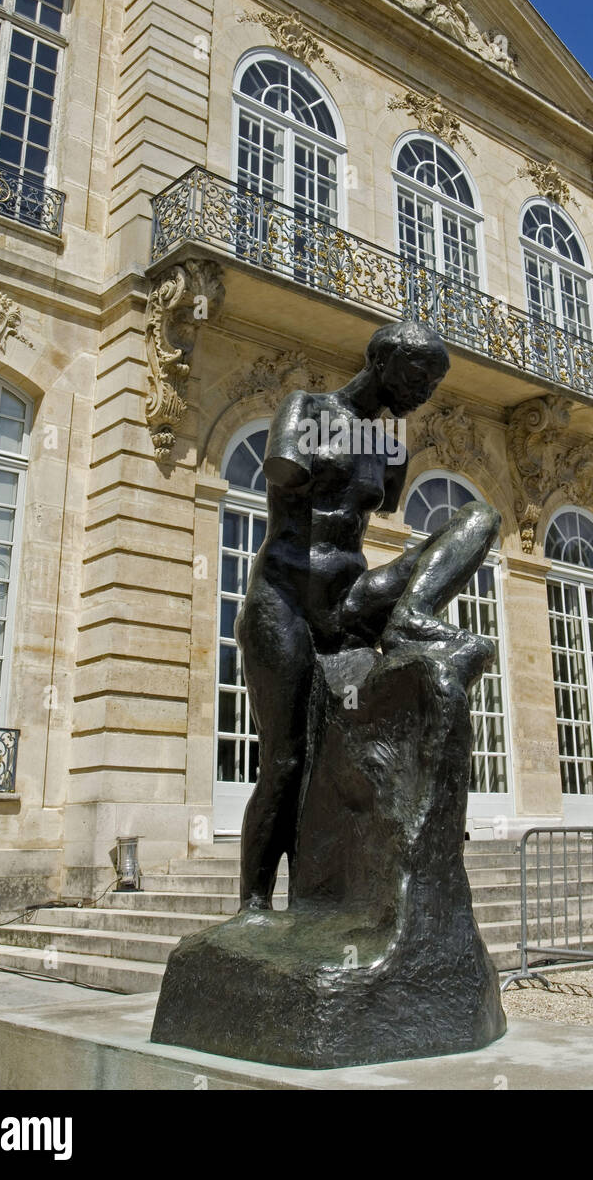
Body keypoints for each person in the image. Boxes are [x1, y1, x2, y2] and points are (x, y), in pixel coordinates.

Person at [235, 321, 500, 910]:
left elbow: (374, 515)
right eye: (418, 376)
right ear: (381, 360)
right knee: (285, 760)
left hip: (352, 601)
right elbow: (284, 473)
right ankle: (254, 902)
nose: (424, 393)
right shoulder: (305, 408)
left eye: (433, 384)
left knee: (479, 519)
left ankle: (409, 617)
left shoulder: (392, 447)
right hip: (286, 598)